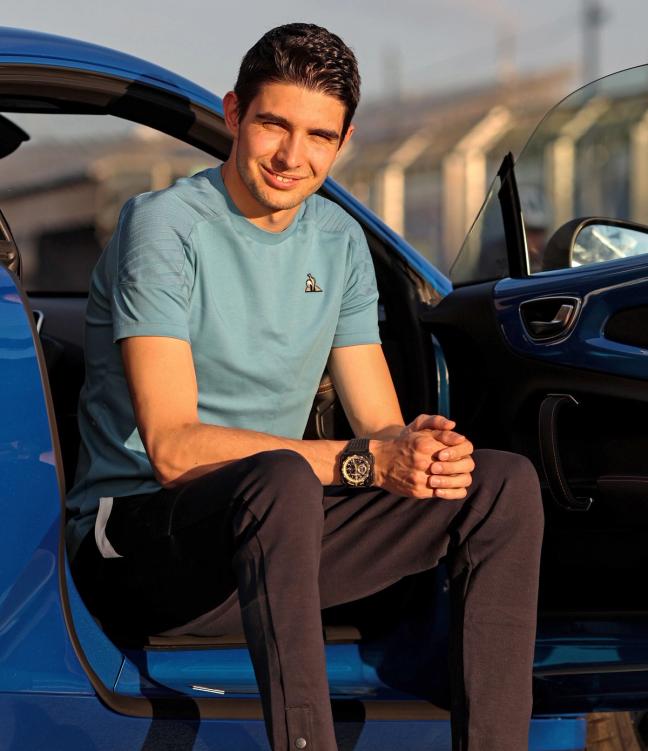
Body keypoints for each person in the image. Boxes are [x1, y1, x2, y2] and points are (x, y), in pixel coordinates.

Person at [66, 22, 544, 751]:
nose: (294, 156)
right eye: (274, 125)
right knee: (284, 478)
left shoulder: (339, 239)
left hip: (275, 544)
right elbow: (171, 448)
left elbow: (379, 427)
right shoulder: (164, 226)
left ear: (344, 141)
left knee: (500, 484)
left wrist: (418, 452)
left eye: (319, 135)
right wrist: (364, 460)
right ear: (233, 114)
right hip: (138, 544)